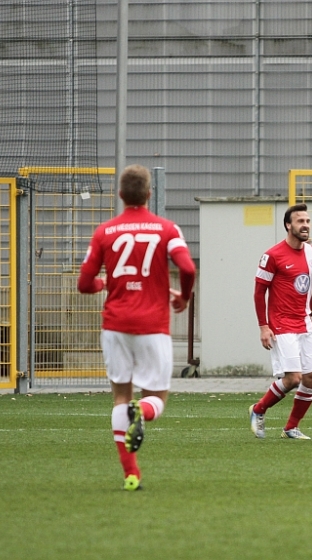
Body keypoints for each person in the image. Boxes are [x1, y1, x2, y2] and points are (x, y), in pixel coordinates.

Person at [77, 164, 196, 491]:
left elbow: (84, 284)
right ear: (149, 193)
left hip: (115, 325)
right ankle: (140, 412)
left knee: (120, 397)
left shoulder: (105, 232)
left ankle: (131, 474)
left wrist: (104, 283)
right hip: (152, 326)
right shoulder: (166, 229)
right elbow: (187, 268)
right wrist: (184, 297)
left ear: (120, 195)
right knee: (156, 398)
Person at [248, 204, 312, 440]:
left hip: (305, 322)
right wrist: (263, 326)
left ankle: (291, 427)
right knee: (293, 378)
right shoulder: (272, 255)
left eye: (308, 221)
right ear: (288, 225)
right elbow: (259, 292)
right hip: (281, 324)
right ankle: (258, 409)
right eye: (300, 221)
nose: (305, 225)